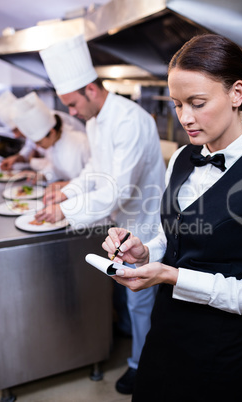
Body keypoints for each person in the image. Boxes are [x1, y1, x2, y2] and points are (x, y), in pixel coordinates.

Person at [102, 34, 242, 402]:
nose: (185, 118)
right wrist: (145, 253)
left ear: (236, 94)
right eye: (177, 105)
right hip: (166, 335)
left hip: (226, 353)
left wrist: (171, 276)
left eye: (197, 103)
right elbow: (170, 236)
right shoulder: (181, 157)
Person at [38, 34, 166, 394]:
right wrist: (69, 190)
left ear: (91, 90)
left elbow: (117, 189)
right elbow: (96, 168)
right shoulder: (95, 121)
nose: (72, 114)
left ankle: (141, 365)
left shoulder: (129, 121)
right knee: (128, 294)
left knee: (141, 298)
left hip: (144, 224)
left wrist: (65, 209)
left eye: (72, 104)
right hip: (119, 223)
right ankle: (132, 337)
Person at [11, 91, 90, 184]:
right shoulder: (53, 145)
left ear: (52, 132)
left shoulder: (82, 142)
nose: (37, 147)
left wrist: (66, 185)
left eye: (39, 142)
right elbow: (56, 171)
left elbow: (93, 177)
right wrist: (42, 176)